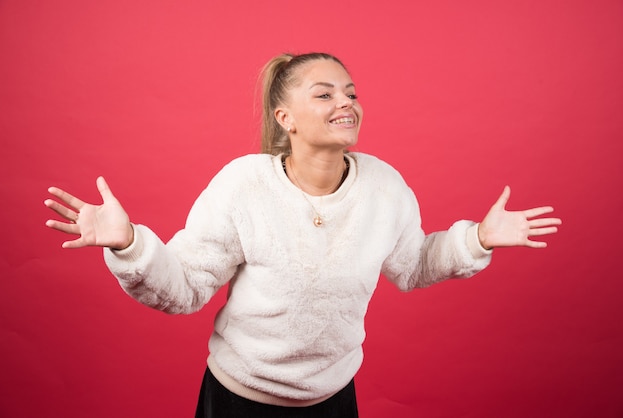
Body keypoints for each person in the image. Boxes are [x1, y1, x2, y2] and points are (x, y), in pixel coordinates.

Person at [44, 52, 561, 418]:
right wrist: (130, 243)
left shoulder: (384, 186)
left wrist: (478, 239)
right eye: (325, 93)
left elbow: (413, 263)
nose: (347, 102)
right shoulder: (244, 184)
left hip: (332, 400)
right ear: (284, 117)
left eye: (351, 93)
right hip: (237, 402)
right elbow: (184, 288)